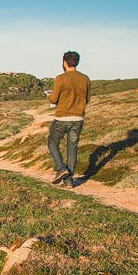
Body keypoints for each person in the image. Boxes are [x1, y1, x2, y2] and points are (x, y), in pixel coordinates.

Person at [46, 50, 91, 187]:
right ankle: (69, 181)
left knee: (52, 143)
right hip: (78, 119)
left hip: (62, 118)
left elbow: (54, 99)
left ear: (64, 62)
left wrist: (48, 96)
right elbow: (87, 99)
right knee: (72, 148)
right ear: (77, 62)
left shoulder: (61, 78)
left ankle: (61, 168)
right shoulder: (85, 79)